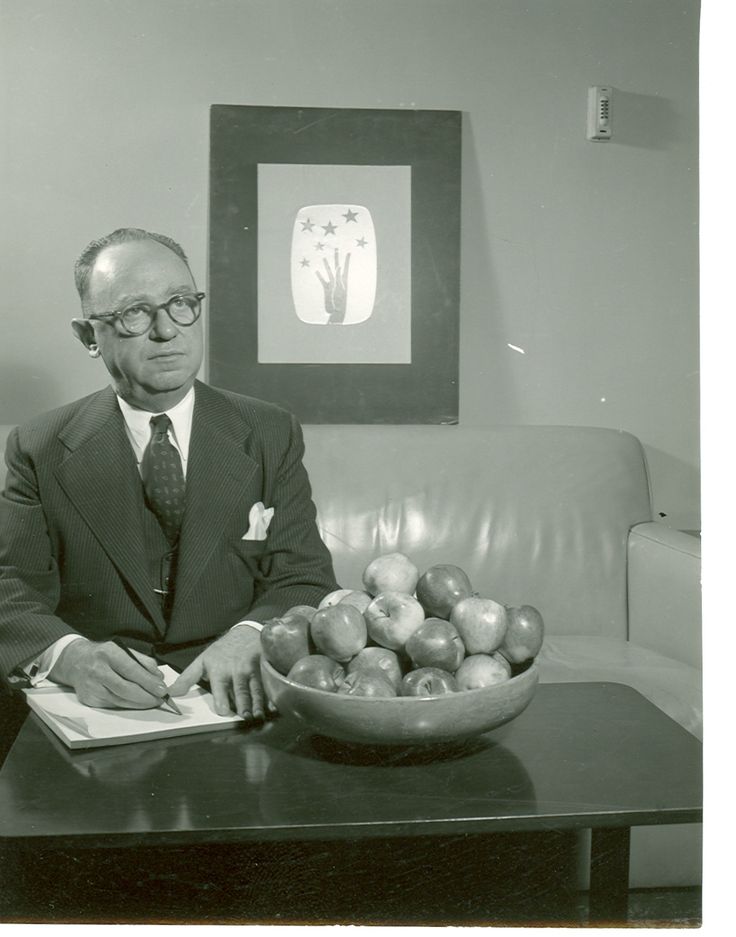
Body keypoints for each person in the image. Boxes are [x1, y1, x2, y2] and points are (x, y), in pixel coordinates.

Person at [0, 227, 338, 721]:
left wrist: (254, 634)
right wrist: (71, 657)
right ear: (89, 336)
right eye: (135, 312)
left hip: (238, 698)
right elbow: (11, 586)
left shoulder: (269, 431)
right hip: (93, 708)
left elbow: (305, 576)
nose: (167, 330)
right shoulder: (38, 446)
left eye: (181, 302)